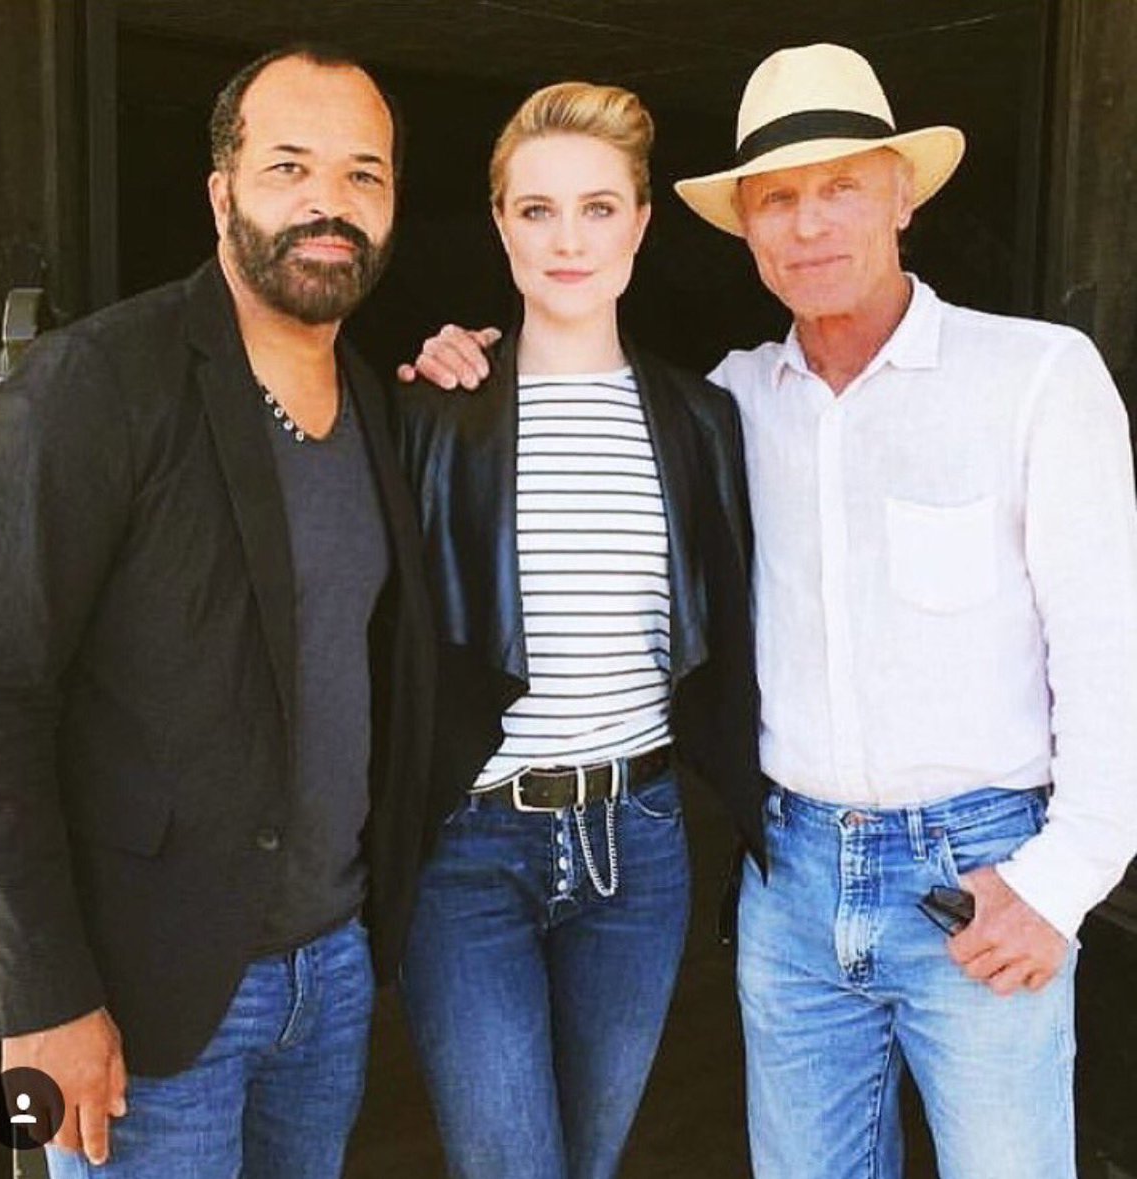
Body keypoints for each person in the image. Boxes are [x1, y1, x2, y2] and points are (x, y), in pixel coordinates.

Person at [403, 42, 1137, 1179]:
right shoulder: (734, 402)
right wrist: (451, 363)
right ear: (744, 226)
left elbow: (1109, 646)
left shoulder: (1033, 377)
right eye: (778, 198)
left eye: (843, 185)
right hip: (790, 881)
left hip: (980, 872)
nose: (811, 223)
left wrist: (1066, 878)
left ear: (902, 195)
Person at [0, 44, 434, 1178]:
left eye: (363, 174)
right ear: (222, 194)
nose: (329, 203)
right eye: (289, 166)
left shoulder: (373, 405)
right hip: (142, 995)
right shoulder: (97, 382)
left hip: (332, 975)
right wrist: (42, 993)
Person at [395, 82, 761, 1179]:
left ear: (640, 224)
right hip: (472, 846)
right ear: (500, 224)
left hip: (637, 845)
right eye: (537, 209)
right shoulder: (433, 409)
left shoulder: (703, 418)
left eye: (598, 208)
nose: (568, 240)